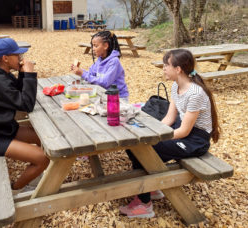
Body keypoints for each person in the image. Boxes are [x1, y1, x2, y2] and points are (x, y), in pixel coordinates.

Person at [120, 49, 221, 218]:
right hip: (183, 132)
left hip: (195, 140)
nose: (164, 68)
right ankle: (151, 190)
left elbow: (184, 131)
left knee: (142, 150)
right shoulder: (176, 86)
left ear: (178, 69)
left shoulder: (195, 93)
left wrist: (153, 140)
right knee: (138, 146)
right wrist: (151, 133)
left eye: (166, 65)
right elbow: (169, 118)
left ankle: (144, 204)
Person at [0, 38, 49, 193]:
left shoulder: (2, 73)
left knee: (45, 139)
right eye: (16, 55)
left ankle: (34, 174)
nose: (20, 58)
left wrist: (22, 73)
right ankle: (16, 189)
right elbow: (26, 104)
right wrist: (30, 75)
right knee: (43, 158)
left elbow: (18, 94)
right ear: (5, 58)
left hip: (2, 128)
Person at [71, 30, 129, 99]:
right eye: (92, 46)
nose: (93, 49)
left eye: (95, 46)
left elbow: (105, 82)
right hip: (105, 95)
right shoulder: (100, 59)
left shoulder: (114, 62)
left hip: (118, 98)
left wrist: (82, 73)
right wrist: (79, 70)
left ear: (105, 46)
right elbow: (91, 74)